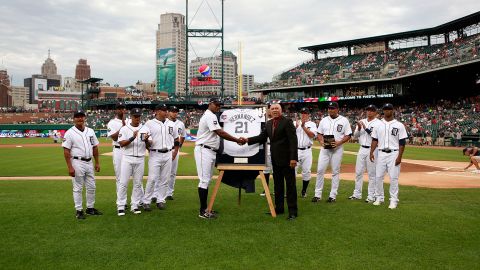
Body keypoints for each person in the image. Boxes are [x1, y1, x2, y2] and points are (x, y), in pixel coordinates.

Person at [241, 103, 299, 220]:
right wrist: (247, 140)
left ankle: (293, 211)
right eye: (272, 109)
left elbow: (293, 141)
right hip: (275, 160)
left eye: (277, 108)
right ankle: (279, 208)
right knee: (277, 186)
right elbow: (261, 137)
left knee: (290, 186)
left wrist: (293, 158)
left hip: (288, 160)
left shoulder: (287, 122)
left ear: (281, 110)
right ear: (269, 111)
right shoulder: (268, 123)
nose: (274, 110)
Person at [194, 98, 243, 219]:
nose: (218, 107)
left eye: (219, 105)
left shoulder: (212, 115)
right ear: (210, 104)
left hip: (209, 151)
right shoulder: (209, 115)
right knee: (204, 181)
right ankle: (203, 211)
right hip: (203, 150)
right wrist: (237, 140)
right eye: (216, 104)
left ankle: (206, 209)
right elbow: (220, 132)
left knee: (207, 180)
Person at [62, 110, 102, 220]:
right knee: (78, 187)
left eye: (82, 116)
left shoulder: (90, 131)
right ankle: (79, 210)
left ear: (85, 118)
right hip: (77, 162)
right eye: (77, 117)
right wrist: (70, 167)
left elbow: (95, 147)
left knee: (91, 186)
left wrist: (97, 162)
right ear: (74, 119)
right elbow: (66, 151)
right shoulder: (70, 132)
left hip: (89, 162)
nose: (80, 118)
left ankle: (90, 208)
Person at [312, 101, 352, 203]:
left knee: (335, 172)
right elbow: (319, 133)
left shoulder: (344, 120)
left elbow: (348, 135)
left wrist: (339, 143)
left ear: (337, 109)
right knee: (320, 170)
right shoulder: (324, 120)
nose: (331, 110)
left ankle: (332, 196)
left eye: (333, 108)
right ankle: (317, 195)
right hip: (325, 149)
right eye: (329, 108)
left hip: (337, 149)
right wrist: (321, 141)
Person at [369, 103, 407, 209]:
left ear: (393, 110)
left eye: (389, 109)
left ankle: (393, 200)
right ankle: (379, 198)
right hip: (380, 153)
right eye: (385, 109)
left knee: (393, 178)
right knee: (378, 177)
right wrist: (371, 152)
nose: (387, 111)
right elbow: (375, 139)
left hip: (394, 153)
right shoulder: (378, 124)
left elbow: (402, 142)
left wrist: (399, 156)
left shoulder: (399, 125)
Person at [143, 104, 179, 211]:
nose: (166, 112)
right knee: (152, 178)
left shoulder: (171, 124)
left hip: (168, 153)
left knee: (165, 179)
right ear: (157, 111)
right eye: (163, 110)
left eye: (166, 110)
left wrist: (175, 151)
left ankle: (161, 200)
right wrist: (148, 147)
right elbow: (145, 139)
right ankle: (146, 201)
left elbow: (176, 139)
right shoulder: (149, 123)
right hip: (155, 153)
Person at [116, 108, 152, 216]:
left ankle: (134, 205)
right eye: (135, 116)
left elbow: (149, 145)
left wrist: (146, 140)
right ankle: (121, 206)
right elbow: (121, 143)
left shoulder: (145, 128)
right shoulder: (125, 128)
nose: (137, 118)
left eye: (139, 116)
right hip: (127, 158)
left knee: (138, 183)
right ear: (131, 116)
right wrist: (132, 137)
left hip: (140, 158)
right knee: (123, 183)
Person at [349, 104, 381, 202]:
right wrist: (359, 128)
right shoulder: (362, 121)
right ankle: (357, 194)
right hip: (361, 149)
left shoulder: (379, 123)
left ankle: (371, 196)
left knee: (372, 174)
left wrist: (365, 128)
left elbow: (376, 137)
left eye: (372, 110)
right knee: (358, 172)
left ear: (375, 112)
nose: (369, 112)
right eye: (368, 110)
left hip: (373, 150)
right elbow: (355, 136)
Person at [106, 102, 127, 206]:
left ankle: (139, 200)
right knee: (119, 177)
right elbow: (114, 137)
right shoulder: (112, 123)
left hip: (128, 150)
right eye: (119, 108)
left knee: (136, 177)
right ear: (116, 110)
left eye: (123, 108)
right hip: (118, 150)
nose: (121, 110)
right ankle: (121, 202)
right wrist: (123, 127)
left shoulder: (129, 121)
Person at [294, 107, 317, 198]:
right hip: (296, 150)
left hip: (307, 151)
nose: (303, 114)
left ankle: (304, 191)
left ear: (308, 115)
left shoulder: (312, 124)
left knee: (306, 171)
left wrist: (303, 127)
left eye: (305, 113)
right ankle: (291, 191)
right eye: (302, 113)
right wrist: (295, 127)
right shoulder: (295, 123)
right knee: (292, 171)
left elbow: (312, 135)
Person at [166, 105, 186, 200]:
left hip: (175, 149)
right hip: (165, 149)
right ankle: (156, 193)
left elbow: (183, 135)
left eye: (176, 111)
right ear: (168, 112)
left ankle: (169, 193)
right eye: (172, 111)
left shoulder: (180, 124)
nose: (175, 113)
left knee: (173, 173)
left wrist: (179, 146)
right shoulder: (164, 122)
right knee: (162, 172)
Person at [260, 107, 273, 197]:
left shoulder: (277, 120)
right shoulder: (263, 121)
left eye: (269, 109)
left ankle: (277, 189)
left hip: (275, 145)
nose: (269, 111)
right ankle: (266, 189)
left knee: (277, 169)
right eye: (268, 109)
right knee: (266, 169)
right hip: (266, 145)